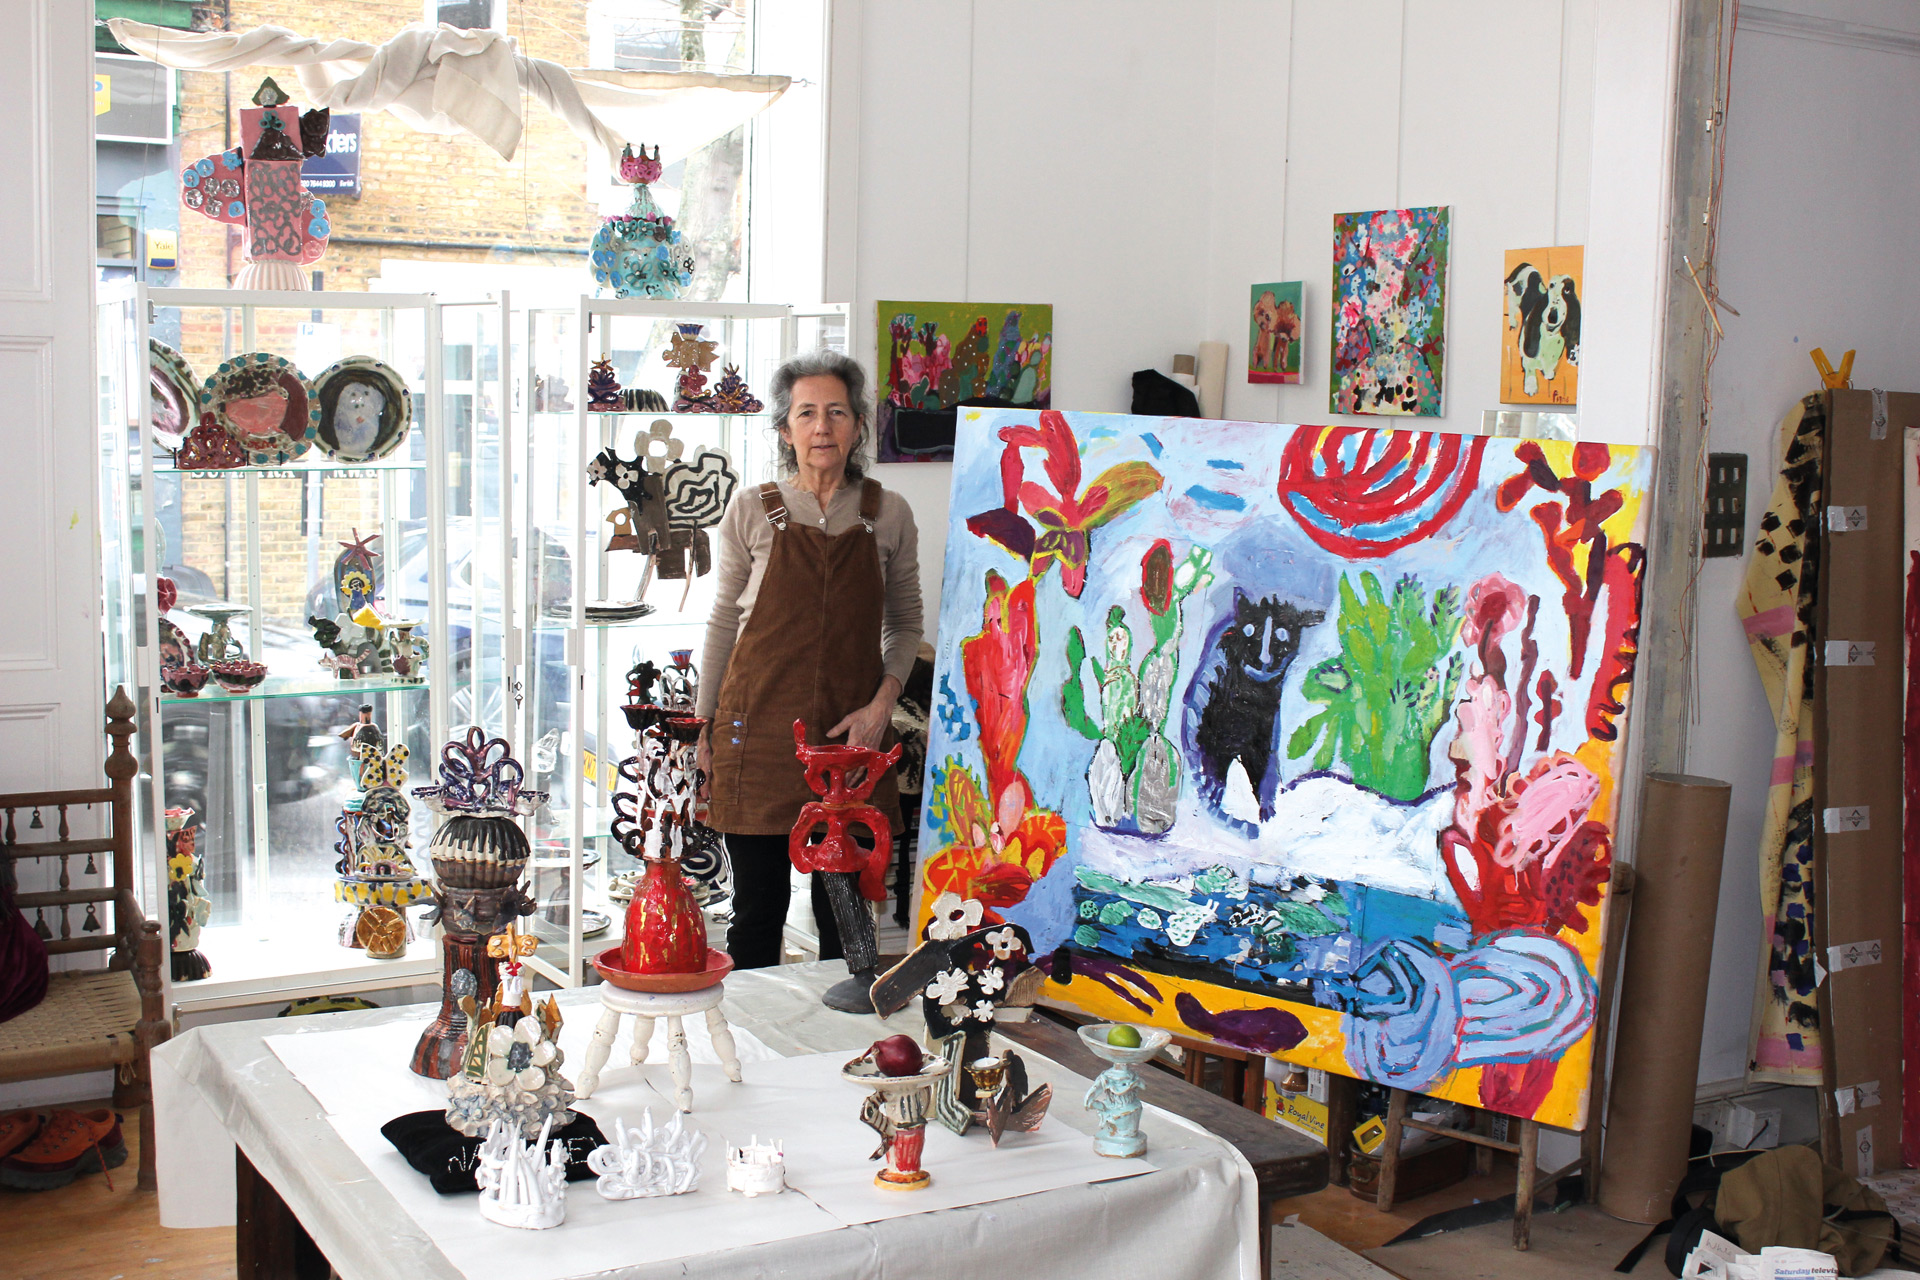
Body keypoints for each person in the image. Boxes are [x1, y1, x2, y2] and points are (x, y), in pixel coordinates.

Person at [697, 351, 923, 969]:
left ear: (857, 428)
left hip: (849, 740)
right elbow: (723, 623)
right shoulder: (751, 509)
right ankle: (749, 1048)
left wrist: (882, 706)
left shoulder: (889, 514)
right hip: (759, 732)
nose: (822, 427)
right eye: (807, 413)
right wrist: (703, 727)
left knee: (844, 910)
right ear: (785, 429)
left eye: (837, 413)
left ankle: (837, 1050)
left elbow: (905, 624)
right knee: (758, 908)